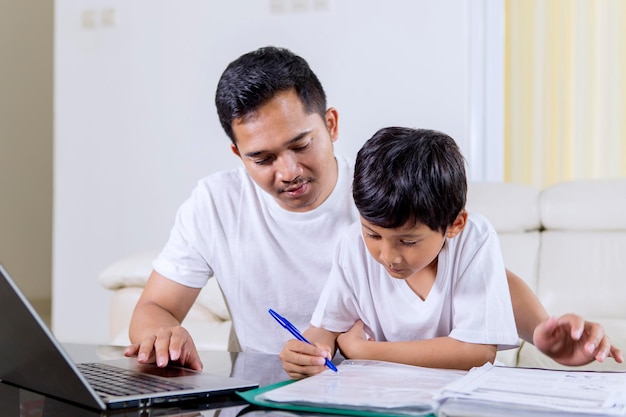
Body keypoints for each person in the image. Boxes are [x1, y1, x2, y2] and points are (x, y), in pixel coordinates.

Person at [124, 46, 622, 371]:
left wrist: (539, 329)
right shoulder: (215, 203)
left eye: (302, 144)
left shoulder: (380, 191)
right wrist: (161, 334)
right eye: (262, 157)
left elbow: (475, 269)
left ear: (332, 124)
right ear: (237, 154)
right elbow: (155, 306)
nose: (289, 171)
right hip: (284, 391)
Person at [280, 127, 520, 379]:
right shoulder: (353, 245)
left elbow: (477, 352)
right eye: (373, 234)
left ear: (454, 224)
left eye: (408, 241)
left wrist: (364, 352)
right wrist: (308, 353)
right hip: (381, 395)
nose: (388, 256)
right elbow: (325, 329)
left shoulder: (473, 239)